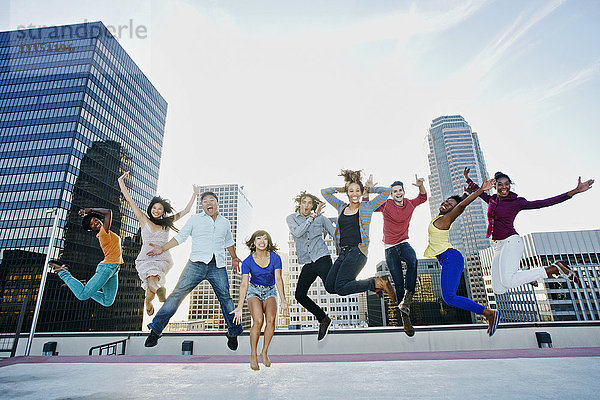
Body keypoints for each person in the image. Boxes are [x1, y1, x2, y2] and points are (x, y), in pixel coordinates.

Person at [464, 168, 594, 293]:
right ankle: (526, 273)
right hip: (498, 246)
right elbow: (478, 191)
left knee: (508, 282)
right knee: (499, 289)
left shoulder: (517, 202)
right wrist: (467, 178)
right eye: (500, 185)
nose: (504, 187)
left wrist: (574, 191)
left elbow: (544, 202)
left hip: (511, 242)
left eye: (507, 184)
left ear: (510, 185)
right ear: (494, 186)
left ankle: (555, 268)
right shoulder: (492, 199)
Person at [144, 191, 243, 350]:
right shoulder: (195, 220)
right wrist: (162, 248)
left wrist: (234, 257)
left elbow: (228, 241)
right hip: (195, 264)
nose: (208, 203)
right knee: (177, 295)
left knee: (226, 298)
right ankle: (156, 330)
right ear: (202, 205)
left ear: (217, 203)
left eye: (211, 200)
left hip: (217, 265)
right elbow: (181, 237)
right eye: (204, 201)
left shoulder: (225, 222)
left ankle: (233, 332)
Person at [424, 179, 501, 336]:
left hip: (451, 258)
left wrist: (480, 190)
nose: (445, 204)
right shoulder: (439, 218)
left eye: (449, 205)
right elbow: (459, 202)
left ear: (452, 210)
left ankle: (489, 313)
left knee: (450, 297)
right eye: (446, 201)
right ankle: (488, 313)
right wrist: (465, 194)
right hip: (448, 259)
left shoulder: (446, 219)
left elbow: (461, 206)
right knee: (449, 297)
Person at [118, 171, 199, 315]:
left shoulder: (167, 223)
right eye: (154, 208)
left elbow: (186, 211)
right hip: (147, 256)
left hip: (161, 256)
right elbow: (130, 201)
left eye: (159, 209)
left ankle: (157, 293)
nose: (156, 210)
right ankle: (151, 301)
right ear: (150, 209)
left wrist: (195, 194)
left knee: (152, 277)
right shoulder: (144, 220)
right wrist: (120, 182)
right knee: (150, 292)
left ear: (163, 211)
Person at [364, 175, 427, 337]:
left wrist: (420, 186)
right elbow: (367, 206)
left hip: (404, 243)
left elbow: (423, 198)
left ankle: (407, 299)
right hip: (390, 248)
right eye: (394, 192)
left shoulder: (410, 204)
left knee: (413, 261)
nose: (398, 193)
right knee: (398, 283)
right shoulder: (386, 204)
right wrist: (368, 190)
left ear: (404, 192)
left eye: (400, 190)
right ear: (391, 195)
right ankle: (405, 317)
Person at [321, 170, 396, 301]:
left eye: (357, 190)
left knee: (340, 288)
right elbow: (324, 192)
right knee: (330, 286)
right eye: (351, 191)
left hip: (358, 251)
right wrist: (342, 188)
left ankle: (378, 282)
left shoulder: (368, 206)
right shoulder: (341, 207)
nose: (354, 194)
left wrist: (370, 189)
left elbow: (386, 191)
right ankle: (373, 284)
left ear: (361, 192)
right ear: (347, 193)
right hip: (343, 252)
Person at [231, 230, 289, 370]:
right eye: (259, 238)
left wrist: (283, 300)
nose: (262, 241)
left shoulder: (275, 258)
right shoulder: (247, 261)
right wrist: (239, 307)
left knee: (271, 321)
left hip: (269, 291)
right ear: (254, 242)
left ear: (268, 242)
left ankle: (264, 351)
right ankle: (252, 355)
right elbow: (244, 284)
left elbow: (278, 279)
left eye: (265, 239)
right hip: (254, 291)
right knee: (258, 320)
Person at [286, 191, 336, 341]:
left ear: (313, 205)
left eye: (309, 203)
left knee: (331, 287)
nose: (306, 205)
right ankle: (323, 318)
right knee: (299, 295)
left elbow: (335, 234)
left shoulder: (321, 218)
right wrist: (312, 218)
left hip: (322, 257)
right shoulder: (291, 219)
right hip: (308, 262)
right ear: (299, 203)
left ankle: (371, 284)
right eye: (304, 202)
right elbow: (298, 232)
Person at [49, 208, 122, 307]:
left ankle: (84, 285)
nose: (96, 223)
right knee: (82, 295)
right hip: (107, 268)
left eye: (95, 220)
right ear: (91, 229)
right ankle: (62, 272)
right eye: (92, 224)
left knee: (107, 301)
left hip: (114, 269)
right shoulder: (103, 233)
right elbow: (108, 212)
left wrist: (88, 215)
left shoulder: (106, 232)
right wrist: (90, 210)